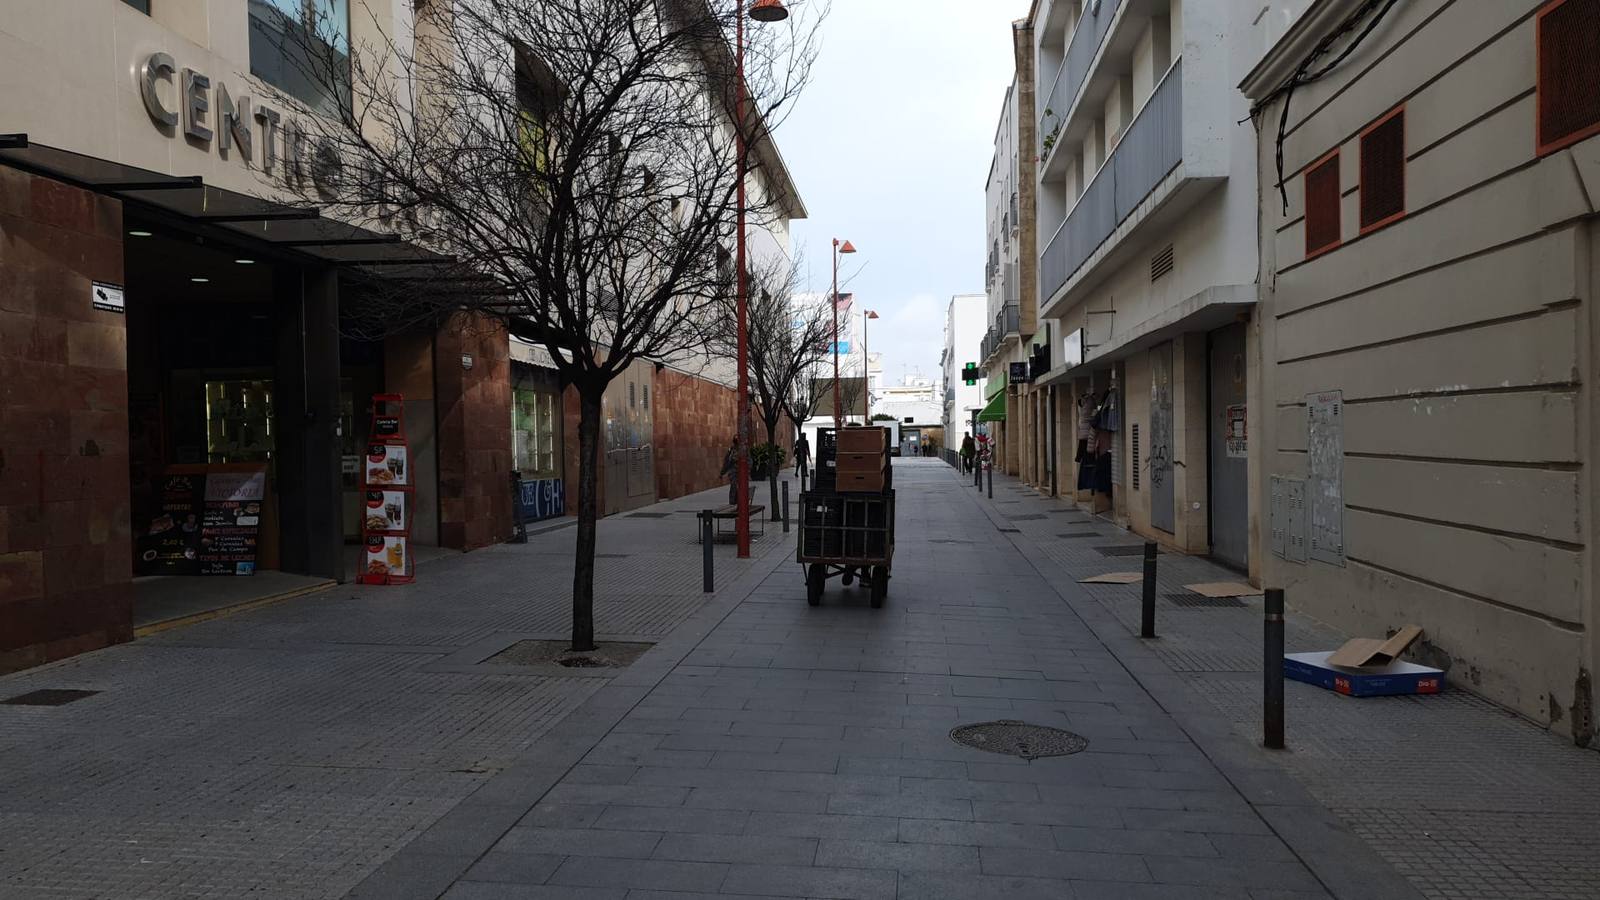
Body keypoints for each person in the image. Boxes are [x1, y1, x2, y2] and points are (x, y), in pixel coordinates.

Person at [720, 437, 740, 505]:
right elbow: (726, 462)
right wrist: (722, 472)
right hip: (733, 472)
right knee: (734, 486)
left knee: (737, 487)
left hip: (740, 472)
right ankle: (732, 502)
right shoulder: (731, 450)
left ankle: (736, 501)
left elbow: (749, 461)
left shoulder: (742, 450)